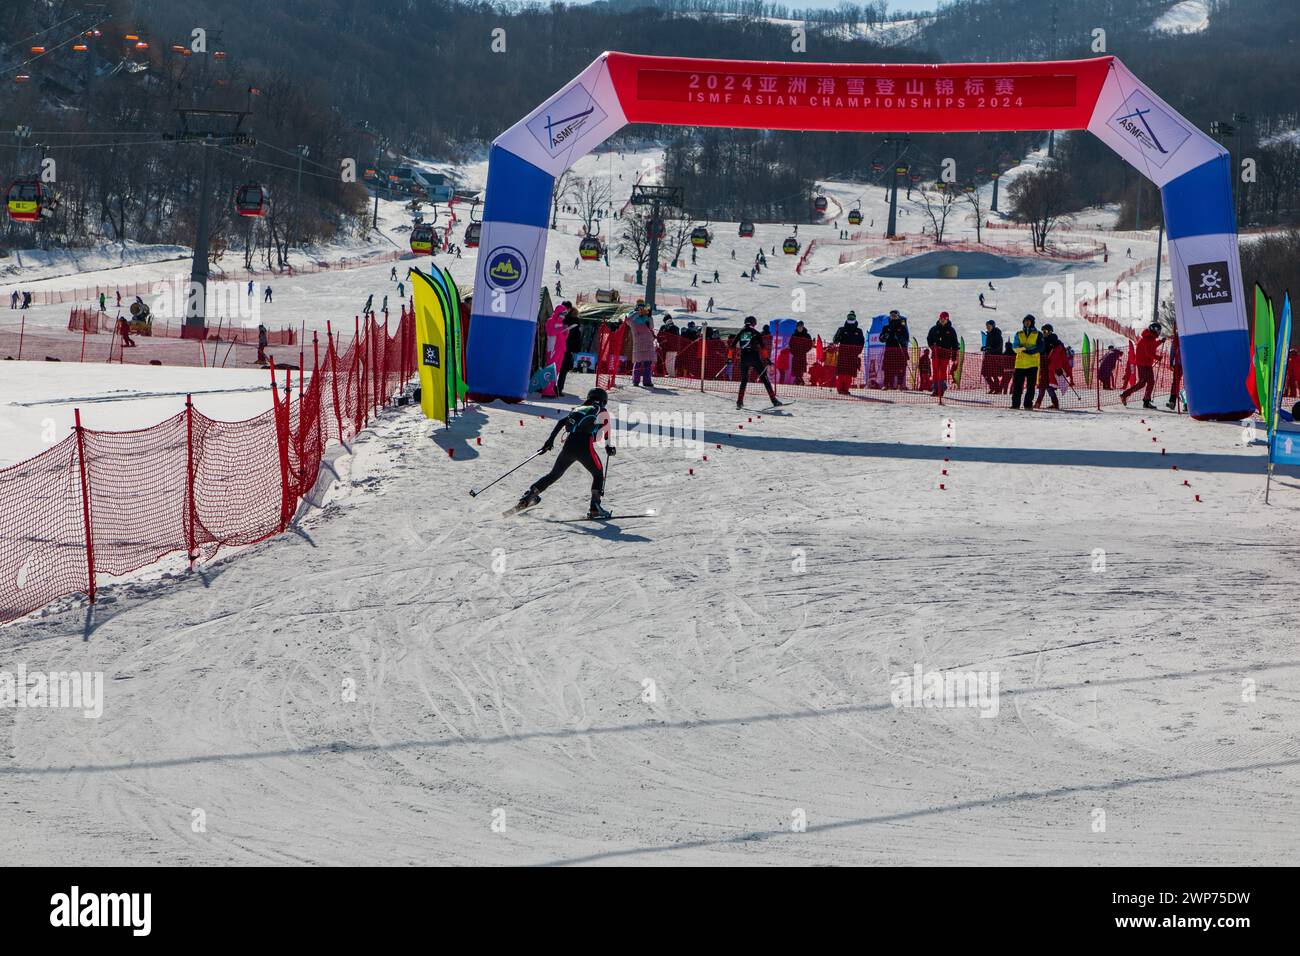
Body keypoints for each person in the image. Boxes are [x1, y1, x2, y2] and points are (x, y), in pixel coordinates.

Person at [513, 387, 616, 519]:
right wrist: (608, 447)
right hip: (584, 445)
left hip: (569, 445)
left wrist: (549, 442)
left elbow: (561, 421)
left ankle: (529, 497)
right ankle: (594, 507)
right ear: (603, 401)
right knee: (598, 474)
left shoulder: (579, 408)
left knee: (553, 475)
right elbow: (606, 429)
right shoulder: (601, 410)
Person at [730, 316, 782, 409]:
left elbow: (732, 346)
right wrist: (767, 360)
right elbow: (763, 348)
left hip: (744, 359)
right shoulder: (756, 333)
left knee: (744, 380)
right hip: (754, 358)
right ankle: (774, 401)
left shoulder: (741, 332)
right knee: (764, 379)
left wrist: (729, 358)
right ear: (754, 324)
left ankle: (739, 401)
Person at [1121, 323, 1164, 409]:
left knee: (1146, 383)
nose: (1159, 332)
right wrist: (1157, 357)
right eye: (1158, 330)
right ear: (1154, 330)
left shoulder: (1150, 338)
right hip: (1143, 364)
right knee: (1143, 383)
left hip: (1146, 364)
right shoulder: (1148, 338)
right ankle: (1126, 395)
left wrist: (1160, 342)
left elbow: (1153, 346)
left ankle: (1145, 401)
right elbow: (1148, 352)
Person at [620, 303, 656, 387]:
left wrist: (649, 316)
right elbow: (628, 320)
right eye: (640, 308)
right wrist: (638, 313)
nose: (642, 310)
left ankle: (647, 381)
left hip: (648, 342)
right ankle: (635, 381)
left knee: (648, 362)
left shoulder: (646, 318)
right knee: (638, 362)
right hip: (638, 343)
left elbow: (651, 327)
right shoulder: (632, 317)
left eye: (643, 309)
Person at [1033, 324, 1068, 409]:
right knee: (1045, 386)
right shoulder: (1042, 340)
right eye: (1043, 331)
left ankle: (1039, 403)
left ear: (1050, 331)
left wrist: (1059, 367)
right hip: (1043, 365)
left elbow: (1061, 356)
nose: (1044, 333)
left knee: (1046, 386)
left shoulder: (1056, 342)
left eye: (1045, 331)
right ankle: (1053, 404)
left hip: (1051, 367)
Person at [1010, 314, 1041, 410]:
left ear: (1032, 322)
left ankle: (1028, 404)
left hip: (1033, 364)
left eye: (1028, 321)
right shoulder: (1019, 334)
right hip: (1020, 364)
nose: (1027, 323)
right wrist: (1025, 348)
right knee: (1017, 387)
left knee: (1030, 387)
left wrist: (1025, 350)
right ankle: (1015, 405)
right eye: (1025, 321)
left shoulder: (1038, 334)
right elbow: (1015, 347)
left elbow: (1040, 347)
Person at [832, 311, 866, 395]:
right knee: (841, 373)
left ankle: (846, 389)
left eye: (852, 317)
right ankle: (840, 389)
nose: (851, 318)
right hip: (843, 355)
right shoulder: (841, 329)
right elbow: (835, 341)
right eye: (849, 317)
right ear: (847, 318)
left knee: (849, 374)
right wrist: (837, 337)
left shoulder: (859, 331)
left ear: (855, 318)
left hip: (853, 355)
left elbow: (861, 343)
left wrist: (857, 352)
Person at [926, 311, 959, 396]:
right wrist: (932, 347)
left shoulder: (951, 330)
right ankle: (935, 389)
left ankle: (942, 389)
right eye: (941, 319)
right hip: (935, 354)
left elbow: (955, 344)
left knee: (943, 372)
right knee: (936, 372)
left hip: (945, 355)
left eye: (944, 319)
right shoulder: (934, 329)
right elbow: (929, 339)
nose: (942, 320)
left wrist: (954, 356)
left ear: (947, 319)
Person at [878, 310, 909, 390]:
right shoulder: (886, 327)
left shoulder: (902, 327)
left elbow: (906, 338)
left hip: (899, 350)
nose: (893, 317)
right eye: (891, 316)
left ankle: (899, 384)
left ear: (898, 316)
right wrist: (884, 337)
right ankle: (887, 384)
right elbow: (881, 339)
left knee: (900, 368)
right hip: (889, 350)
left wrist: (900, 338)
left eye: (895, 316)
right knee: (888, 368)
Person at [556, 304, 583, 395]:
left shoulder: (564, 320)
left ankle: (553, 387)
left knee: (557, 368)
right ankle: (559, 388)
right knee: (564, 369)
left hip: (561, 346)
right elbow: (577, 338)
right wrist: (576, 349)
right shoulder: (576, 323)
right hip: (568, 349)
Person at [981, 319, 1005, 393]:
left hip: (995, 357)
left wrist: (989, 349)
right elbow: (988, 345)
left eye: (989, 326)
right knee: (985, 373)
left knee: (994, 374)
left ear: (993, 326)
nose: (987, 327)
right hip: (988, 356)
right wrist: (984, 348)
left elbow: (998, 346)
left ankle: (997, 389)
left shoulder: (997, 334)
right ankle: (992, 387)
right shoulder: (988, 334)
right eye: (987, 326)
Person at [789, 320, 813, 384]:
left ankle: (800, 379)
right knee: (796, 368)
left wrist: (804, 350)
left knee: (801, 368)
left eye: (801, 327)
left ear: (803, 327)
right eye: (798, 327)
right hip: (795, 354)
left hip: (802, 354)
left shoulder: (807, 335)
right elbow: (790, 345)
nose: (799, 328)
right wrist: (793, 352)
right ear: (796, 327)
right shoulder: (794, 335)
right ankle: (797, 380)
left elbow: (810, 345)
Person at [1166, 326, 1182, 410]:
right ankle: (1172, 402)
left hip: (1182, 364)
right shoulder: (1176, 339)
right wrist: (1171, 361)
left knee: (1176, 383)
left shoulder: (1177, 338)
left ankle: (1186, 403)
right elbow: (1172, 351)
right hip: (1179, 364)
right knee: (1176, 383)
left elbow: (1172, 351)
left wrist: (1171, 361)